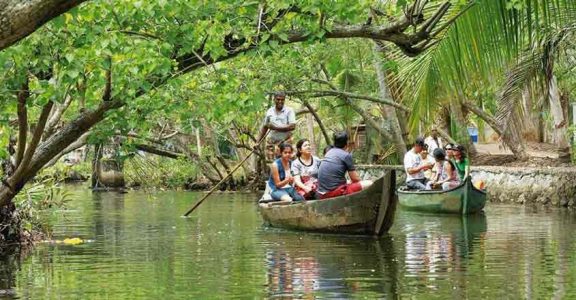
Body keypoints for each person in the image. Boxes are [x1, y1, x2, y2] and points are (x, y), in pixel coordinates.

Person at [317, 131, 372, 199]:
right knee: (369, 183)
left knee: (349, 182)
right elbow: (355, 179)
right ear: (347, 143)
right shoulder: (346, 155)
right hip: (333, 193)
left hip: (321, 193)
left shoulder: (329, 152)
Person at [258, 92, 296, 160]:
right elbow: (265, 126)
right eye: (278, 99)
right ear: (274, 99)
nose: (280, 101)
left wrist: (275, 127)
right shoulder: (270, 111)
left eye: (282, 100)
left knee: (288, 163)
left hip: (286, 143)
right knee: (273, 165)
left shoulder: (289, 111)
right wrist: (257, 142)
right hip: (272, 144)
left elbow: (292, 126)